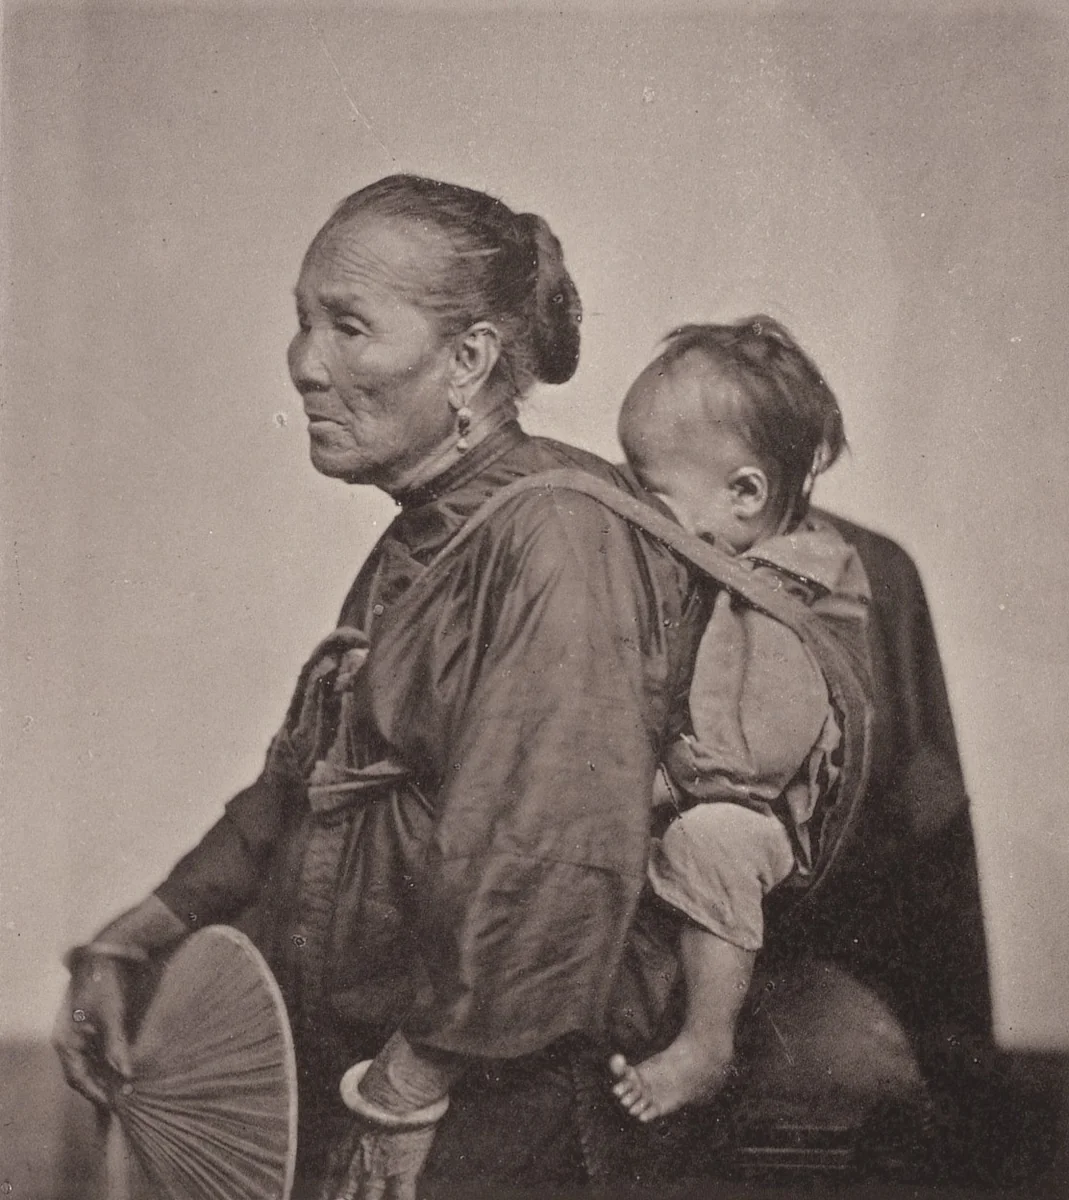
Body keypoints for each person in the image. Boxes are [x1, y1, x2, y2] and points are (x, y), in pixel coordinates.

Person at [51, 174, 710, 1199]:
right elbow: (302, 787)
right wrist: (129, 941)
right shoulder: (430, 528)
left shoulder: (555, 535)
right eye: (303, 323)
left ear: (469, 360)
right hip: (376, 1054)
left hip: (497, 1084)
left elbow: (543, 850)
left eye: (348, 326)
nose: (305, 365)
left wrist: (408, 1090)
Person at [607, 318, 872, 1121]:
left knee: (707, 839)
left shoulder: (782, 599)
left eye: (650, 493)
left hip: (764, 820)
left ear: (745, 494)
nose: (634, 508)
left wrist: (651, 782)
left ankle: (706, 1042)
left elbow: (752, 758)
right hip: (717, 786)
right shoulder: (731, 560)